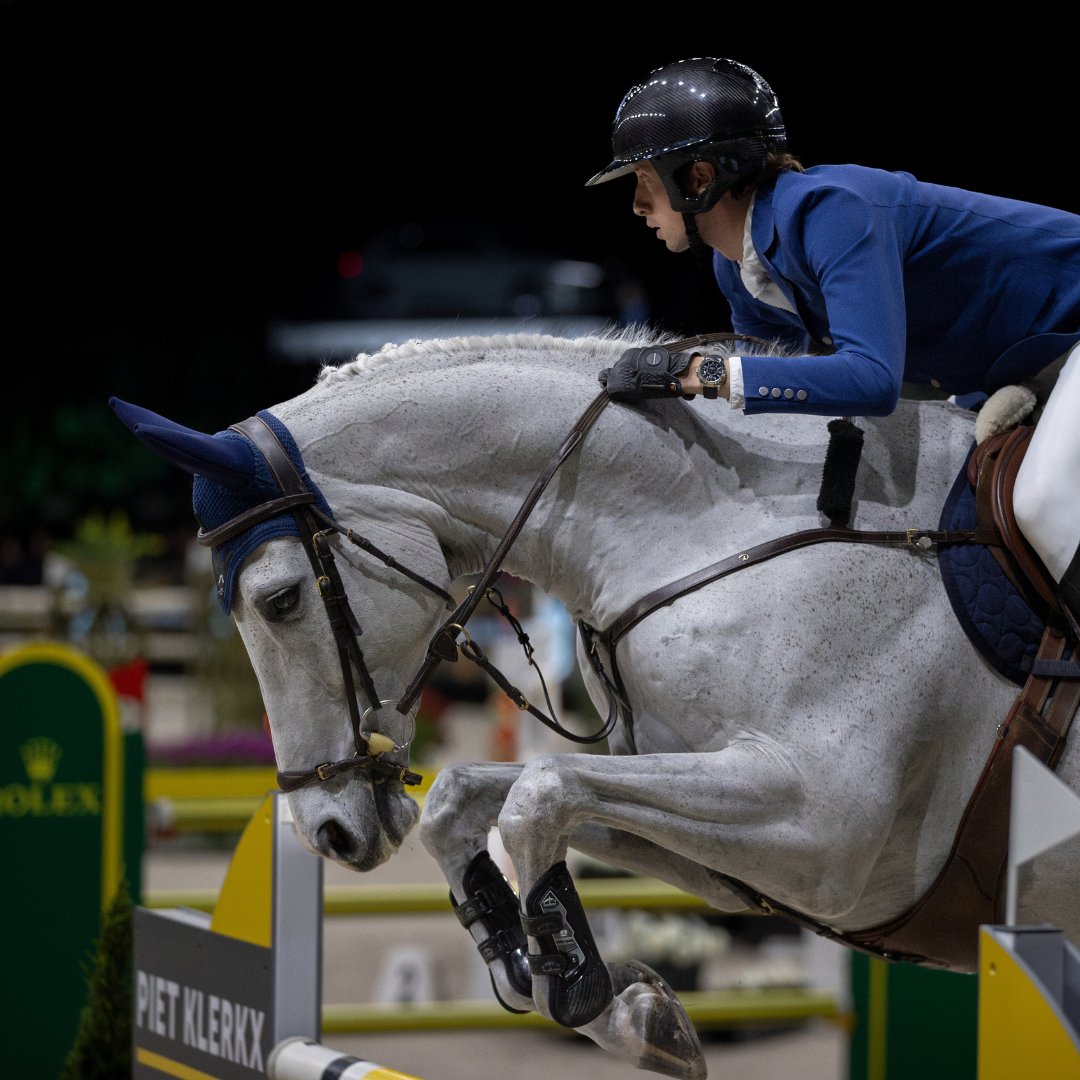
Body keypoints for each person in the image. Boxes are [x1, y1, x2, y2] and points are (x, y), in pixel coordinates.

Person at [588, 56, 1080, 633]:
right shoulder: (737, 269)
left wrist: (704, 374)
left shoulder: (831, 210)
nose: (637, 206)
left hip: (1069, 336)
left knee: (1042, 504)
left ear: (698, 178)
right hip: (1015, 372)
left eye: (645, 182)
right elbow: (791, 400)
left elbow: (870, 381)